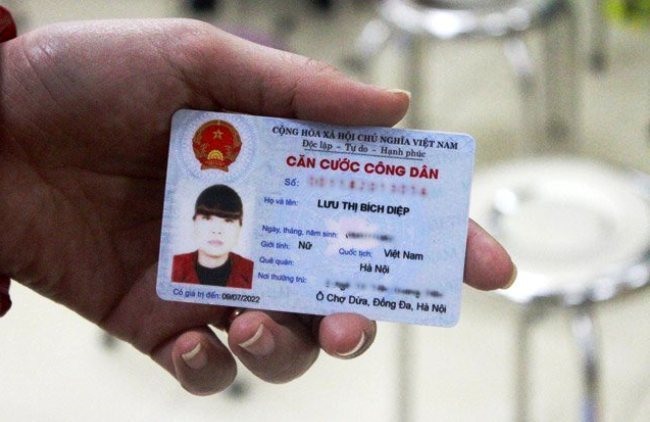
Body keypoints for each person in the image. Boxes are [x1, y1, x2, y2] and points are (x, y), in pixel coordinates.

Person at [0, 9, 516, 396]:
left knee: (283, 333)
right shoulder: (193, 267)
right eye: (209, 217)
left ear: (242, 225)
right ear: (196, 219)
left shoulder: (246, 266)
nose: (217, 230)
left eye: (228, 220)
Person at [172, 184, 253, 288]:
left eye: (228, 220)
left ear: (240, 227)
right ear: (194, 223)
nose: (217, 230)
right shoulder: (171, 267)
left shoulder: (252, 273)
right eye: (207, 218)